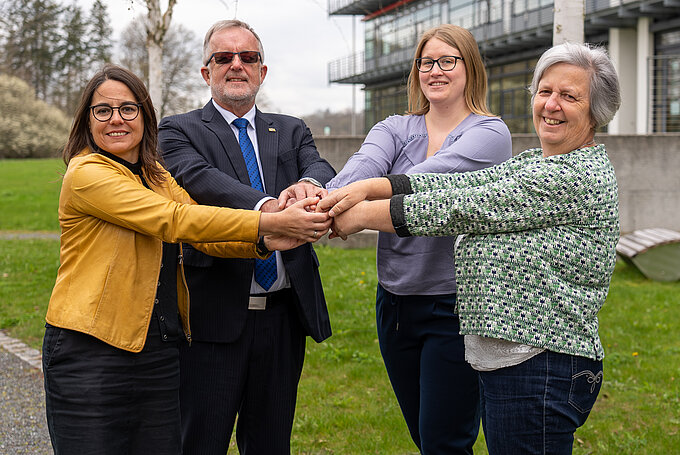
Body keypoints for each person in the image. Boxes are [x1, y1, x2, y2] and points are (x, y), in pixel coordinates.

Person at [319, 41, 621, 455]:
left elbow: (462, 207)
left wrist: (359, 216)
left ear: (595, 110)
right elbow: (462, 184)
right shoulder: (537, 161)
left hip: (542, 364)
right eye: (545, 91)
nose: (551, 105)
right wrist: (370, 186)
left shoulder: (575, 175)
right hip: (513, 363)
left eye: (569, 96)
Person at [42, 64, 329, 455]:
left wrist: (266, 241)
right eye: (102, 111)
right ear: (87, 121)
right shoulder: (87, 172)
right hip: (91, 349)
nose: (116, 120)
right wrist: (267, 220)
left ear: (145, 116)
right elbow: (175, 220)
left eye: (128, 109)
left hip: (157, 348)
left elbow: (205, 237)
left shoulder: (155, 175)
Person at [325, 24, 511, 454]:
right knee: (424, 437)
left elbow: (430, 182)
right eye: (427, 62)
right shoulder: (395, 126)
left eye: (448, 61)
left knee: (445, 442)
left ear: (471, 68)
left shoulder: (490, 133)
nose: (436, 71)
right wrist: (325, 201)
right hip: (394, 303)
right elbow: (362, 166)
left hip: (456, 308)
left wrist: (361, 201)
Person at [158, 19, 336, 455]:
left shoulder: (290, 128)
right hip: (212, 318)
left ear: (262, 70)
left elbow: (321, 167)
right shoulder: (177, 131)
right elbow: (202, 181)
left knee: (272, 444)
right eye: (223, 57)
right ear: (207, 72)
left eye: (248, 57)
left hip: (283, 318)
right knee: (201, 442)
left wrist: (307, 188)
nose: (236, 65)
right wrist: (270, 209)